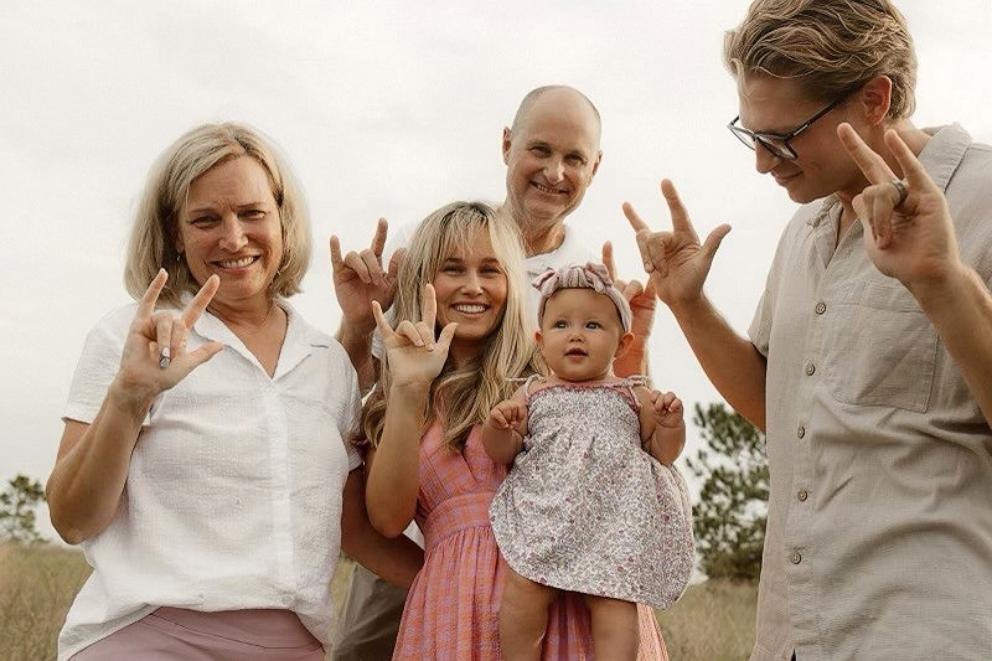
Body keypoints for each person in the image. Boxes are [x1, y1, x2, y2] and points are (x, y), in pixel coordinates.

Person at [623, 1, 992, 658]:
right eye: (753, 135)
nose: (764, 164)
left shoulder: (986, 198)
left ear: (875, 98)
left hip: (930, 633)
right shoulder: (804, 231)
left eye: (784, 137)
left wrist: (943, 283)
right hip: (795, 634)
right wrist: (689, 306)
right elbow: (779, 407)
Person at [46, 123, 422, 660]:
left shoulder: (326, 363)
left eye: (252, 213)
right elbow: (71, 519)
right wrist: (128, 398)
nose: (233, 237)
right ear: (177, 234)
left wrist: (468, 582)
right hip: (146, 636)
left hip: (293, 645)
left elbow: (352, 526)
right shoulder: (131, 336)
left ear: (282, 220)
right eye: (205, 219)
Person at [332, 85, 665, 659]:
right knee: (359, 645)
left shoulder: (575, 302)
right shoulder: (425, 245)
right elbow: (361, 417)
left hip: (552, 582)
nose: (555, 173)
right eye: (539, 150)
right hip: (432, 554)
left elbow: (624, 439)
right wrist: (362, 324)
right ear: (508, 145)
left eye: (575, 159)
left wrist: (633, 359)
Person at [484, 263, 694, 660]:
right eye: (562, 325)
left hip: (612, 520)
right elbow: (502, 453)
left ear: (622, 344)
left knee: (614, 601)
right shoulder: (533, 392)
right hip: (547, 513)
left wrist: (670, 425)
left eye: (593, 326)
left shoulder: (634, 395)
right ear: (541, 341)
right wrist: (500, 427)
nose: (577, 334)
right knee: (524, 588)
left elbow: (662, 454)